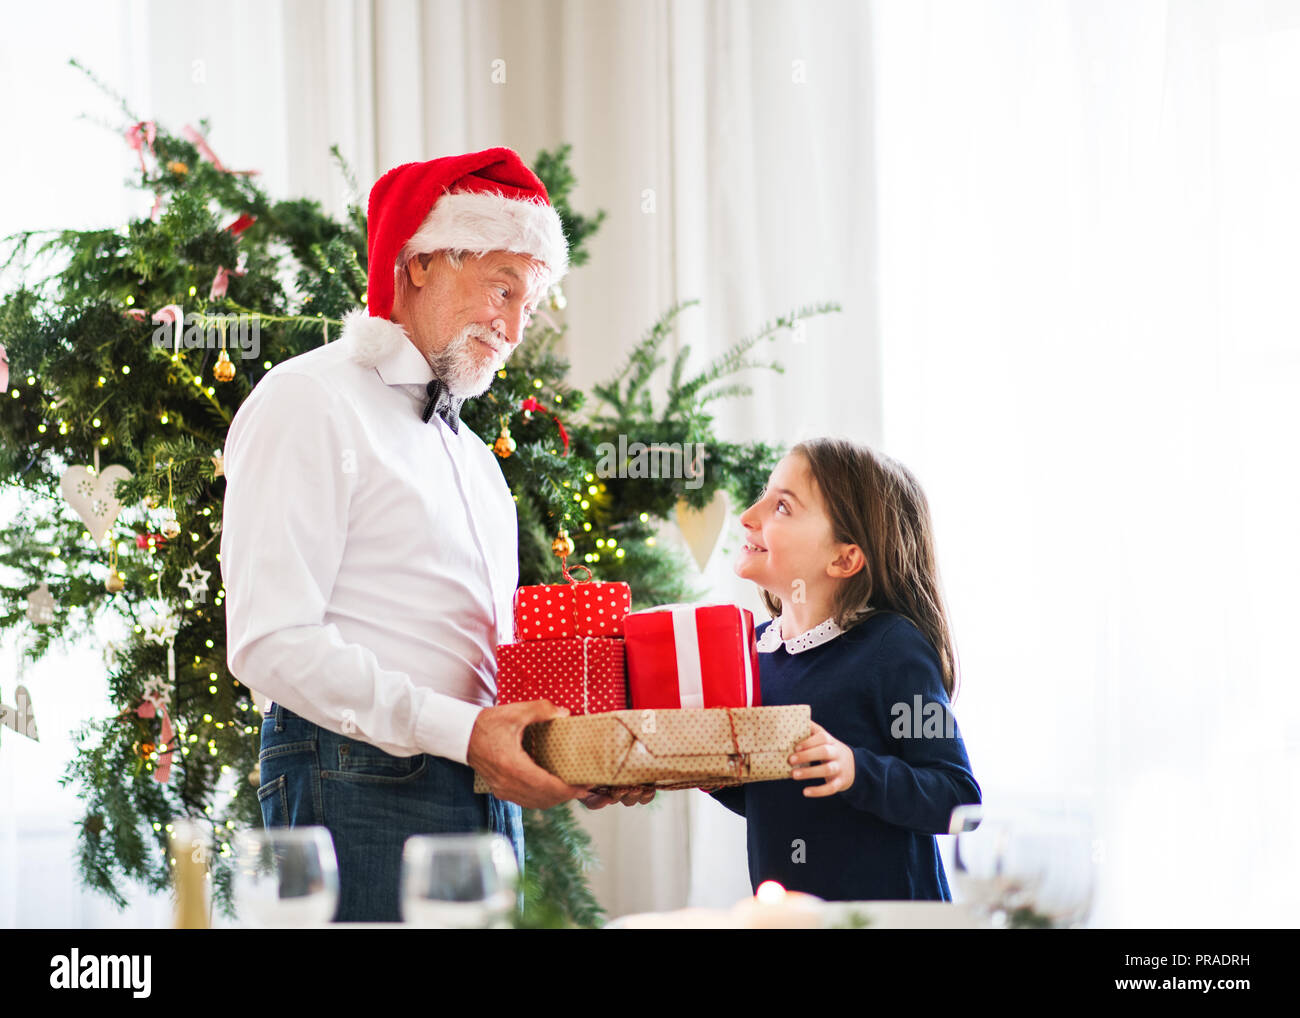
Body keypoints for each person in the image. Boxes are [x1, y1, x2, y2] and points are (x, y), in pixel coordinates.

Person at [221, 147, 647, 924]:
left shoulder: (477, 461)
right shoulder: (308, 400)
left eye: (530, 302)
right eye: (501, 288)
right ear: (420, 264)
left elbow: (482, 666)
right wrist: (465, 731)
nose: (514, 327)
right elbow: (270, 641)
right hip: (353, 781)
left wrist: (573, 752)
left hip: (479, 793)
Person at [710, 437, 981, 900]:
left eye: (782, 507)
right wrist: (710, 772)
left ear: (844, 557)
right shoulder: (750, 652)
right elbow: (777, 798)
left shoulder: (892, 649)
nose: (747, 516)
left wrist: (856, 770)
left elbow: (959, 799)